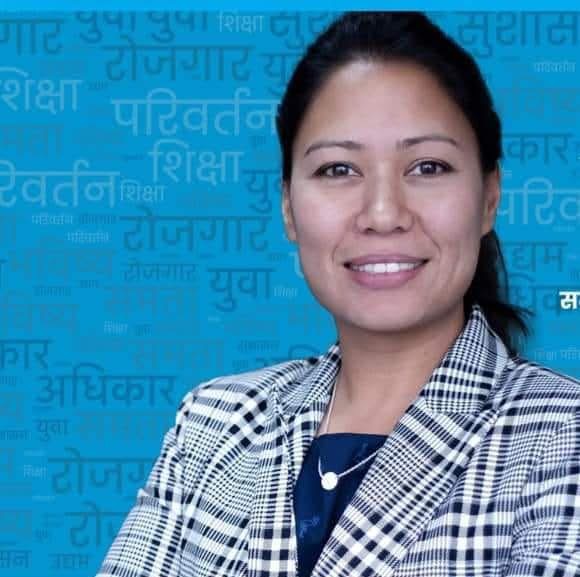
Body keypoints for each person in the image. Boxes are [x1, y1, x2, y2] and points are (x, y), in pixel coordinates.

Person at [96, 11, 580, 577]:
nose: (383, 214)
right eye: (338, 170)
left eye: (428, 166)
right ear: (288, 207)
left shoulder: (562, 437)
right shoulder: (215, 423)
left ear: (489, 198)